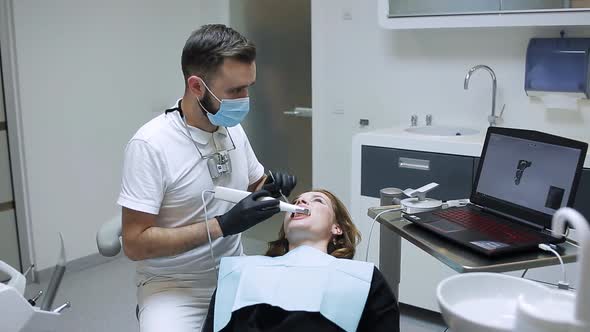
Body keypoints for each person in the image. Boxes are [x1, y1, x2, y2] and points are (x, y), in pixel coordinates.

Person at [117, 24, 296, 332]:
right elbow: (134, 244)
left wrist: (270, 189)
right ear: (197, 86)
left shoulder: (231, 128)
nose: (245, 98)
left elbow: (254, 185)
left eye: (248, 86)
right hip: (173, 285)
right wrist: (222, 226)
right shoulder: (150, 145)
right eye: (235, 91)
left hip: (233, 270)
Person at [202, 189, 400, 332]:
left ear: (337, 228)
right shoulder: (240, 271)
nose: (300, 203)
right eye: (296, 201)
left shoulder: (362, 279)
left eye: (317, 200)